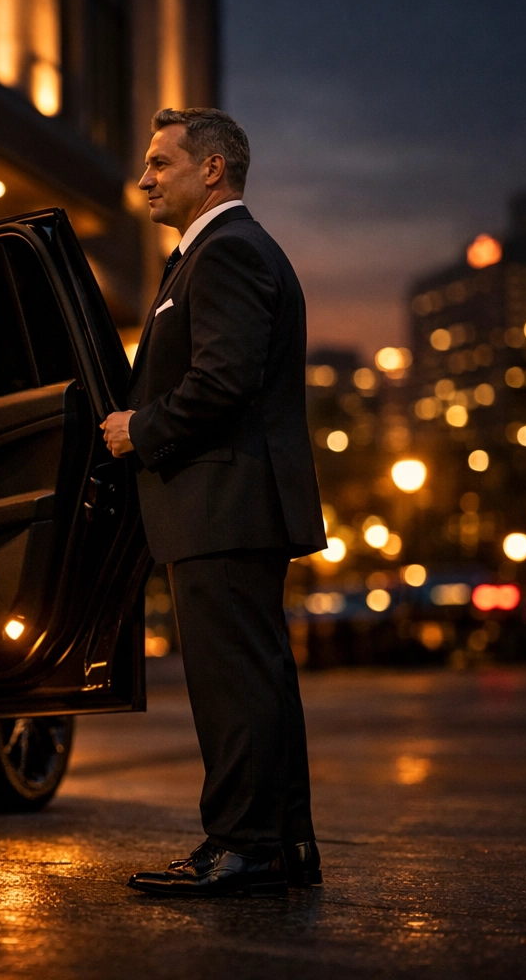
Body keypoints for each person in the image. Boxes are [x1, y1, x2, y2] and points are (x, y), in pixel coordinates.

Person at [101, 108, 327, 898]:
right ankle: (281, 843)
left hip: (223, 501)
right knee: (256, 678)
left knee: (234, 682)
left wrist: (140, 428)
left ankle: (242, 845)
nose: (145, 179)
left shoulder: (226, 251)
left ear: (213, 171)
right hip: (229, 502)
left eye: (161, 163)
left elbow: (223, 381)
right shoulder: (215, 254)